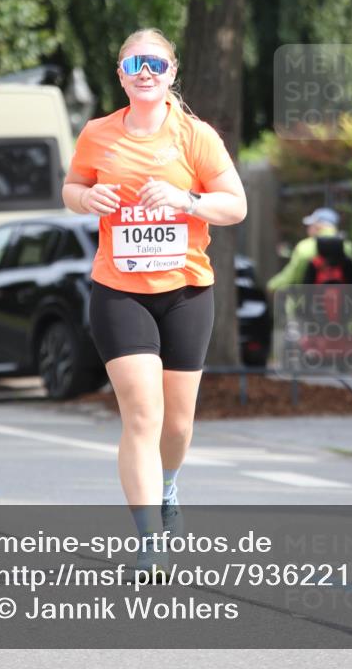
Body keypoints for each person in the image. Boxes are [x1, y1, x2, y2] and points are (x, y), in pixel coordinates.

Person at [62, 28, 247, 575]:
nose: (146, 71)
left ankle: (168, 485)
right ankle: (149, 540)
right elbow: (71, 188)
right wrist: (85, 198)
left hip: (187, 289)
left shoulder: (195, 136)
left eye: (157, 64)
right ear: (120, 74)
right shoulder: (98, 133)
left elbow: (234, 205)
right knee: (141, 416)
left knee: (178, 424)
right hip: (120, 290)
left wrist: (186, 200)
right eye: (136, 63)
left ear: (172, 74)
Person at [266, 207, 352, 294]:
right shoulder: (349, 247)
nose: (308, 229)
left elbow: (291, 276)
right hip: (342, 304)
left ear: (318, 226)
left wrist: (272, 286)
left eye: (310, 225)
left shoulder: (304, 247)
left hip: (307, 305)